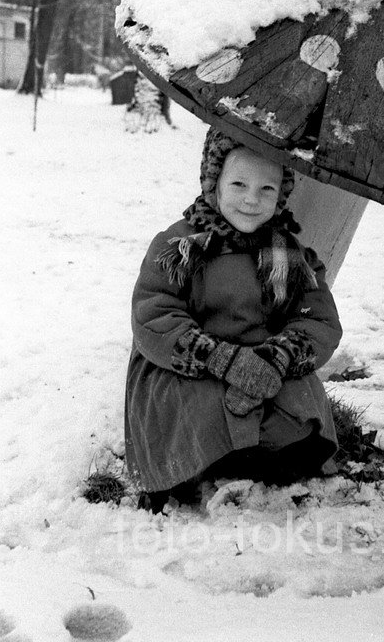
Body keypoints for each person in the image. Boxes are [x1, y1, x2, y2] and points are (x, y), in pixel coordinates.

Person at [124, 127, 342, 510]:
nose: (251, 200)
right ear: (214, 183)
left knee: (301, 406)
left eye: (266, 190)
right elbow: (153, 315)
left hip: (265, 366)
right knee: (199, 411)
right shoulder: (180, 246)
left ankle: (257, 457)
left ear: (282, 193)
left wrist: (276, 360)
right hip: (191, 368)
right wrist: (224, 360)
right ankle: (209, 463)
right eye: (238, 184)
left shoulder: (292, 256)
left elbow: (318, 320)